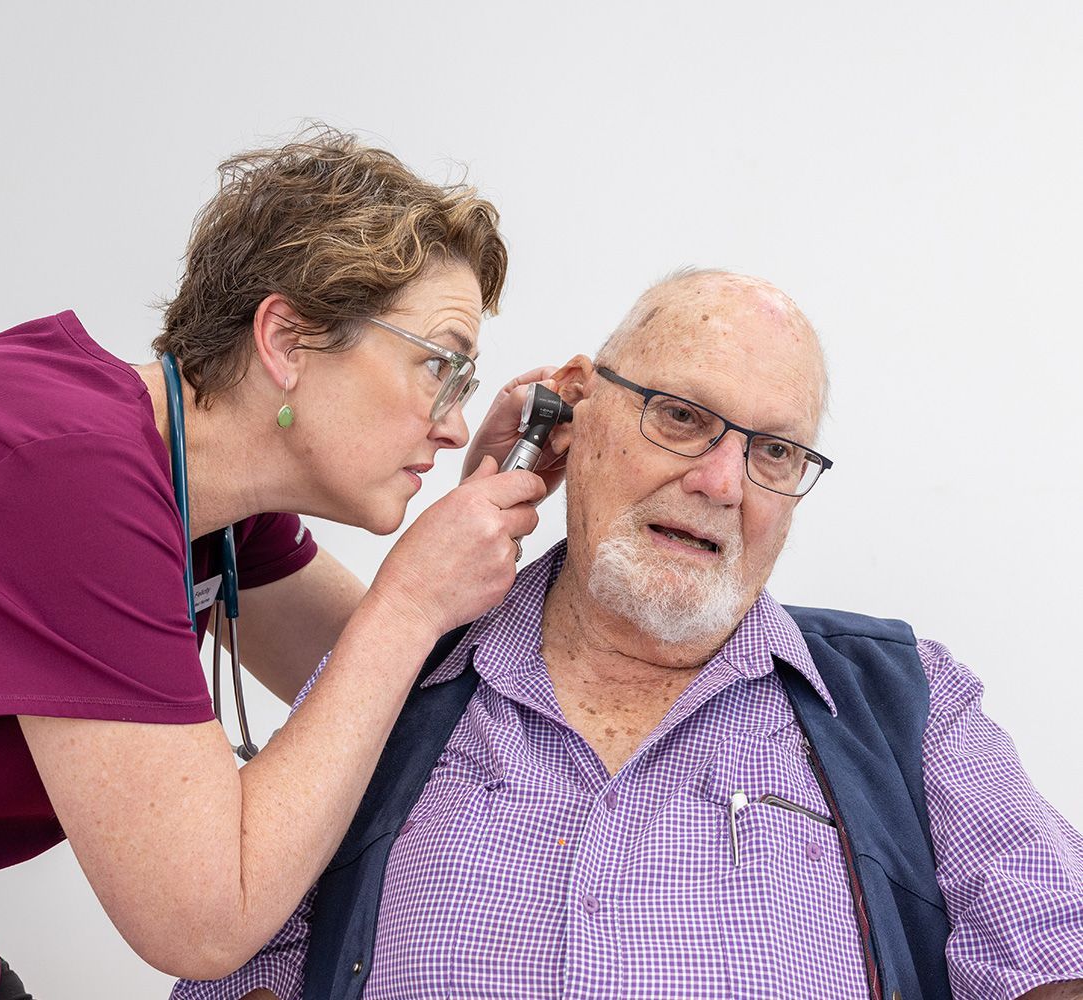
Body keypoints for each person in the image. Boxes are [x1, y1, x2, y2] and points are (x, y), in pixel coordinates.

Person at [0, 128, 556, 1000]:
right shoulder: (65, 478)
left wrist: (497, 485)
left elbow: (404, 699)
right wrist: (410, 599)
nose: (452, 421)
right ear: (288, 341)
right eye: (439, 368)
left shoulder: (202, 499)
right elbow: (201, 920)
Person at [175, 269, 1083, 1000]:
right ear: (573, 410)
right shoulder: (400, 672)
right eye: (682, 416)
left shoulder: (905, 703)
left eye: (775, 451)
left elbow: (1050, 949)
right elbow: (239, 963)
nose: (722, 481)